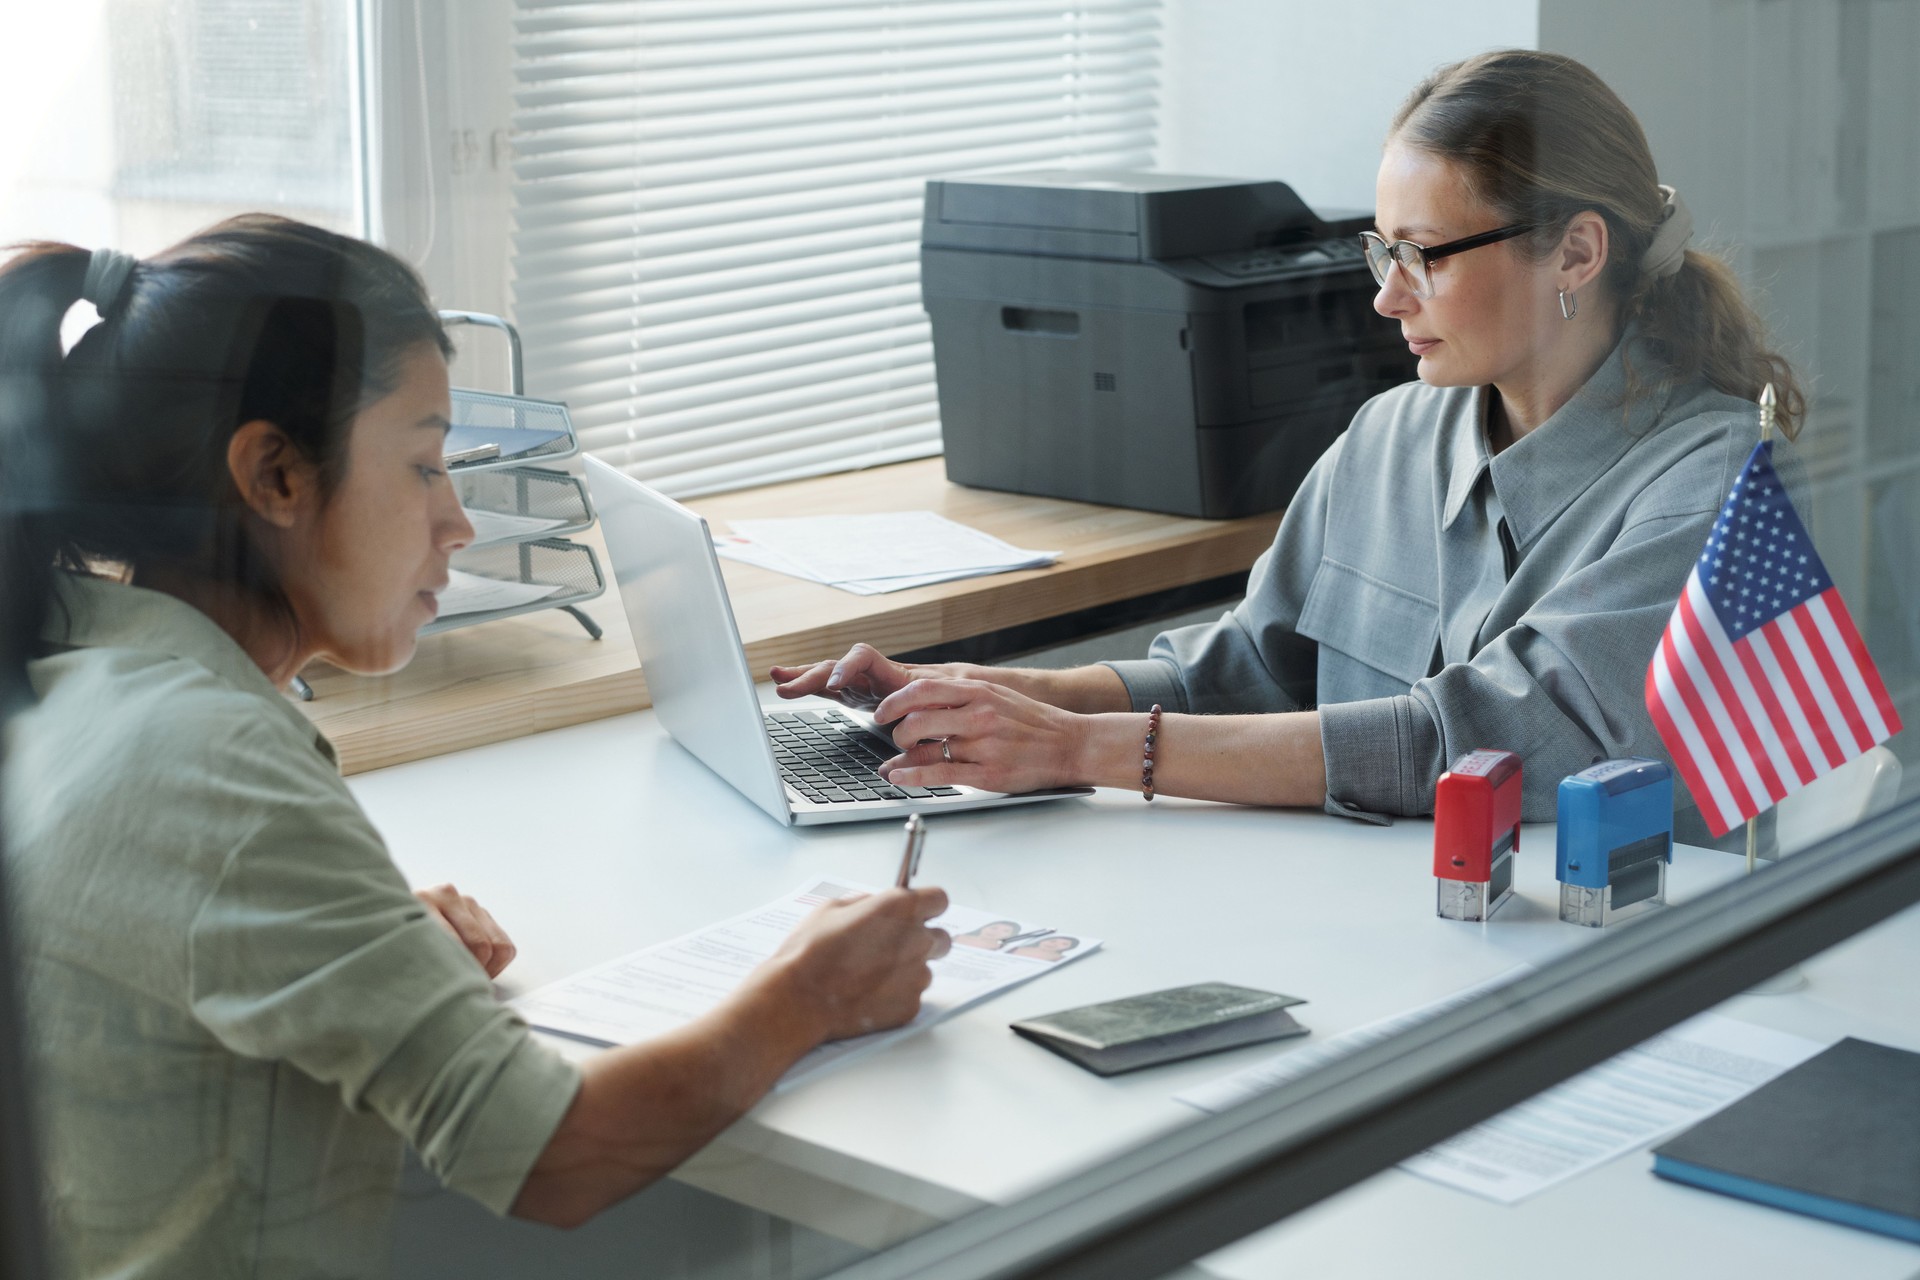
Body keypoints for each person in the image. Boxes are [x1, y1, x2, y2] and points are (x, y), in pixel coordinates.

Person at [0, 215, 950, 1277]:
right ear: (274, 475)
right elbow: (552, 1153)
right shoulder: (215, 763)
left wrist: (354, 936)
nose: (456, 521)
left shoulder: (73, 665)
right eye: (421, 465)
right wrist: (810, 991)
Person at [772, 50, 1805, 850]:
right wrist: (975, 692)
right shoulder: (1393, 434)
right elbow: (1248, 669)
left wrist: (1081, 748)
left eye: (1423, 257)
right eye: (1380, 248)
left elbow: (1476, 740)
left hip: (1584, 967)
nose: (1385, 295)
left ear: (1576, 251)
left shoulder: (1716, 489)